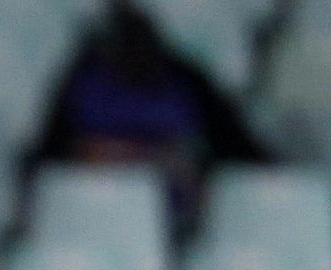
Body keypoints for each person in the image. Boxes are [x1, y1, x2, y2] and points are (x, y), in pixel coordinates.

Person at [35, 0, 263, 227]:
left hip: (168, 196)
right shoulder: (83, 78)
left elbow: (232, 141)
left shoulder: (183, 77)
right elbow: (52, 152)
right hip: (96, 196)